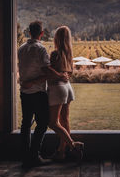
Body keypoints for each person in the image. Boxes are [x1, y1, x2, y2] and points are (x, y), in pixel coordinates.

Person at [18, 20, 68, 168]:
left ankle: (25, 157)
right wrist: (60, 75)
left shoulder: (21, 49)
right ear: (41, 33)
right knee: (43, 123)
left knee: (26, 124)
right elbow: (47, 71)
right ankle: (34, 155)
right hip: (38, 93)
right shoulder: (40, 49)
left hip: (24, 93)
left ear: (28, 32)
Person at [48, 26, 84, 161]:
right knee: (65, 120)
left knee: (53, 123)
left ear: (56, 38)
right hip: (68, 88)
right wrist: (64, 75)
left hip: (57, 89)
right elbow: (69, 73)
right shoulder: (69, 54)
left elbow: (49, 72)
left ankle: (74, 146)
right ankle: (61, 152)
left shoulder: (55, 54)